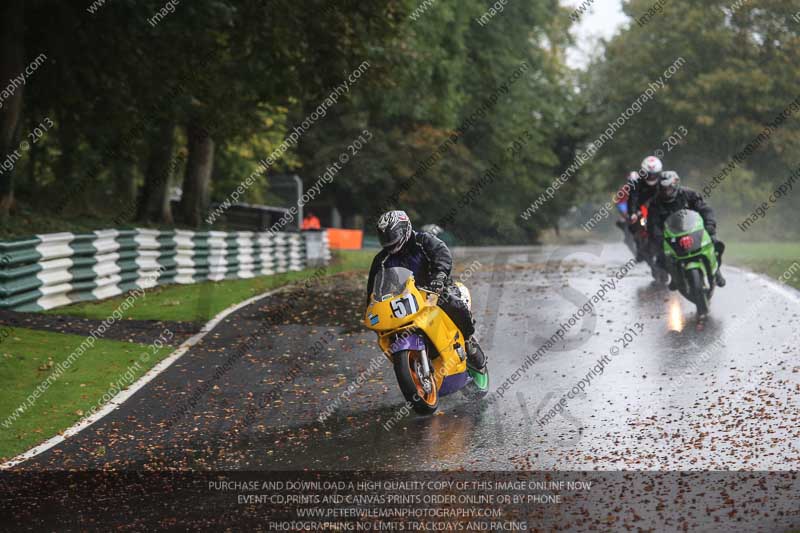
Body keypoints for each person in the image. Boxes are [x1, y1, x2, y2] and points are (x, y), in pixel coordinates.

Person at [366, 210, 487, 372]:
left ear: (405, 230)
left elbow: (442, 255)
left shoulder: (423, 240)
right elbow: (374, 288)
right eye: (385, 238)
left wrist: (439, 277)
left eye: (392, 236)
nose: (389, 242)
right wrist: (372, 307)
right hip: (406, 298)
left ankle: (469, 340)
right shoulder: (381, 260)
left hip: (435, 288)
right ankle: (412, 364)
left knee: (452, 303)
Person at [647, 171, 726, 288]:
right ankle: (675, 276)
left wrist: (709, 225)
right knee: (660, 258)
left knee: (714, 242)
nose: (666, 192)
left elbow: (705, 209)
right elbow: (652, 224)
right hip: (672, 236)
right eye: (663, 189)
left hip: (694, 230)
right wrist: (659, 239)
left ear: (675, 185)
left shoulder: (689, 194)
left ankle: (717, 271)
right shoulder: (655, 203)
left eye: (668, 188)